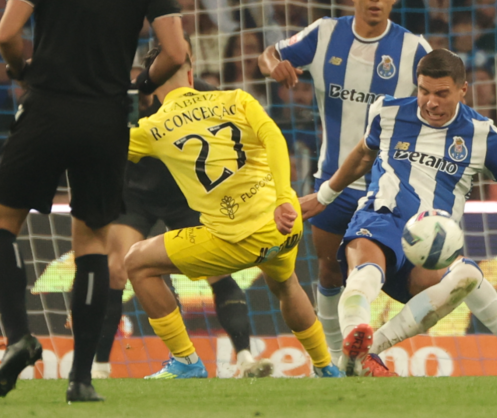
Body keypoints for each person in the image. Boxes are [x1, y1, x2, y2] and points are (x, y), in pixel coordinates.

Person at [258, 0, 497, 376]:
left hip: (390, 181)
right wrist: (275, 66)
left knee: (391, 271)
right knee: (329, 268)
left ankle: (353, 355)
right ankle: (329, 361)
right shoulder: (325, 35)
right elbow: (269, 53)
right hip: (336, 179)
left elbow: (434, 102)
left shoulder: (414, 48)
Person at [0, 0, 188, 402]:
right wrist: (145, 81)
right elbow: (177, 52)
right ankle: (81, 380)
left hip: (47, 107)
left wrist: (22, 68)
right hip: (105, 117)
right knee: (93, 241)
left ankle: (19, 337)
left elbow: (7, 34)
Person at [299, 49, 497, 376]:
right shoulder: (388, 113)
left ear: (462, 91)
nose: (431, 102)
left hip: (431, 250)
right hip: (381, 218)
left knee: (467, 275)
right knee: (364, 274)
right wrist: (325, 195)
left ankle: (367, 352)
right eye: (424, 91)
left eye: (442, 94)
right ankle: (354, 341)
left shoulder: (483, 136)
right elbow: (364, 155)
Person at [122, 44, 341, 380]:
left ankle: (186, 362)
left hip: (235, 239)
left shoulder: (153, 128)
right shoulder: (237, 99)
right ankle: (326, 367)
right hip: (282, 225)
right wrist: (285, 197)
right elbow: (274, 138)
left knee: (136, 262)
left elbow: (101, 150)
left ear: (151, 84)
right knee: (287, 285)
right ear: (192, 75)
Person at [91, 42, 272, 380]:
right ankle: (99, 366)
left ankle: (245, 357)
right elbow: (107, 144)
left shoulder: (207, 96)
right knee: (116, 268)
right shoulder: (132, 99)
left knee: (219, 272)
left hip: (188, 197)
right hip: (136, 196)